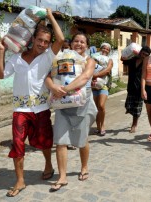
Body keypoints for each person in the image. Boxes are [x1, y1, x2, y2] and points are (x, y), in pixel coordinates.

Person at [0, 9, 64, 197]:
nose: (42, 44)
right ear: (33, 39)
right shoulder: (17, 57)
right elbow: (1, 74)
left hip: (41, 108)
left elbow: (60, 39)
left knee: (44, 143)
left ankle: (49, 165)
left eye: (46, 42)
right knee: (17, 144)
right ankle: (20, 181)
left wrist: (50, 16)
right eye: (40, 40)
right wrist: (2, 51)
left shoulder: (47, 56)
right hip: (20, 110)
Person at [46, 32, 97, 192]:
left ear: (87, 46)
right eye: (76, 41)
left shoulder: (90, 60)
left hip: (82, 103)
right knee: (60, 140)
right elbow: (47, 76)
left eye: (82, 42)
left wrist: (64, 90)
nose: (79, 44)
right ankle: (62, 176)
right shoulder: (60, 59)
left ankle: (84, 166)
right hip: (62, 105)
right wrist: (54, 88)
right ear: (71, 43)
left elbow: (85, 77)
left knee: (82, 139)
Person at [122, 46, 151, 133]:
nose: (143, 56)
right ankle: (130, 110)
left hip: (140, 88)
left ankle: (134, 125)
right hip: (131, 87)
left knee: (137, 108)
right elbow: (122, 59)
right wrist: (131, 53)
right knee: (128, 106)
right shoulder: (132, 59)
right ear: (140, 52)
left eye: (146, 55)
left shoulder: (147, 64)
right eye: (143, 53)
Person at [91, 43, 113, 136]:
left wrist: (95, 75)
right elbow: (92, 67)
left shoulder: (110, 60)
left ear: (109, 51)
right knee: (96, 108)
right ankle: (98, 127)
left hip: (103, 84)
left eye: (107, 49)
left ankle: (102, 125)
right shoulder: (94, 57)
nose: (105, 50)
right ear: (100, 48)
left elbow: (107, 70)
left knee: (101, 106)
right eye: (104, 48)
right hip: (94, 84)